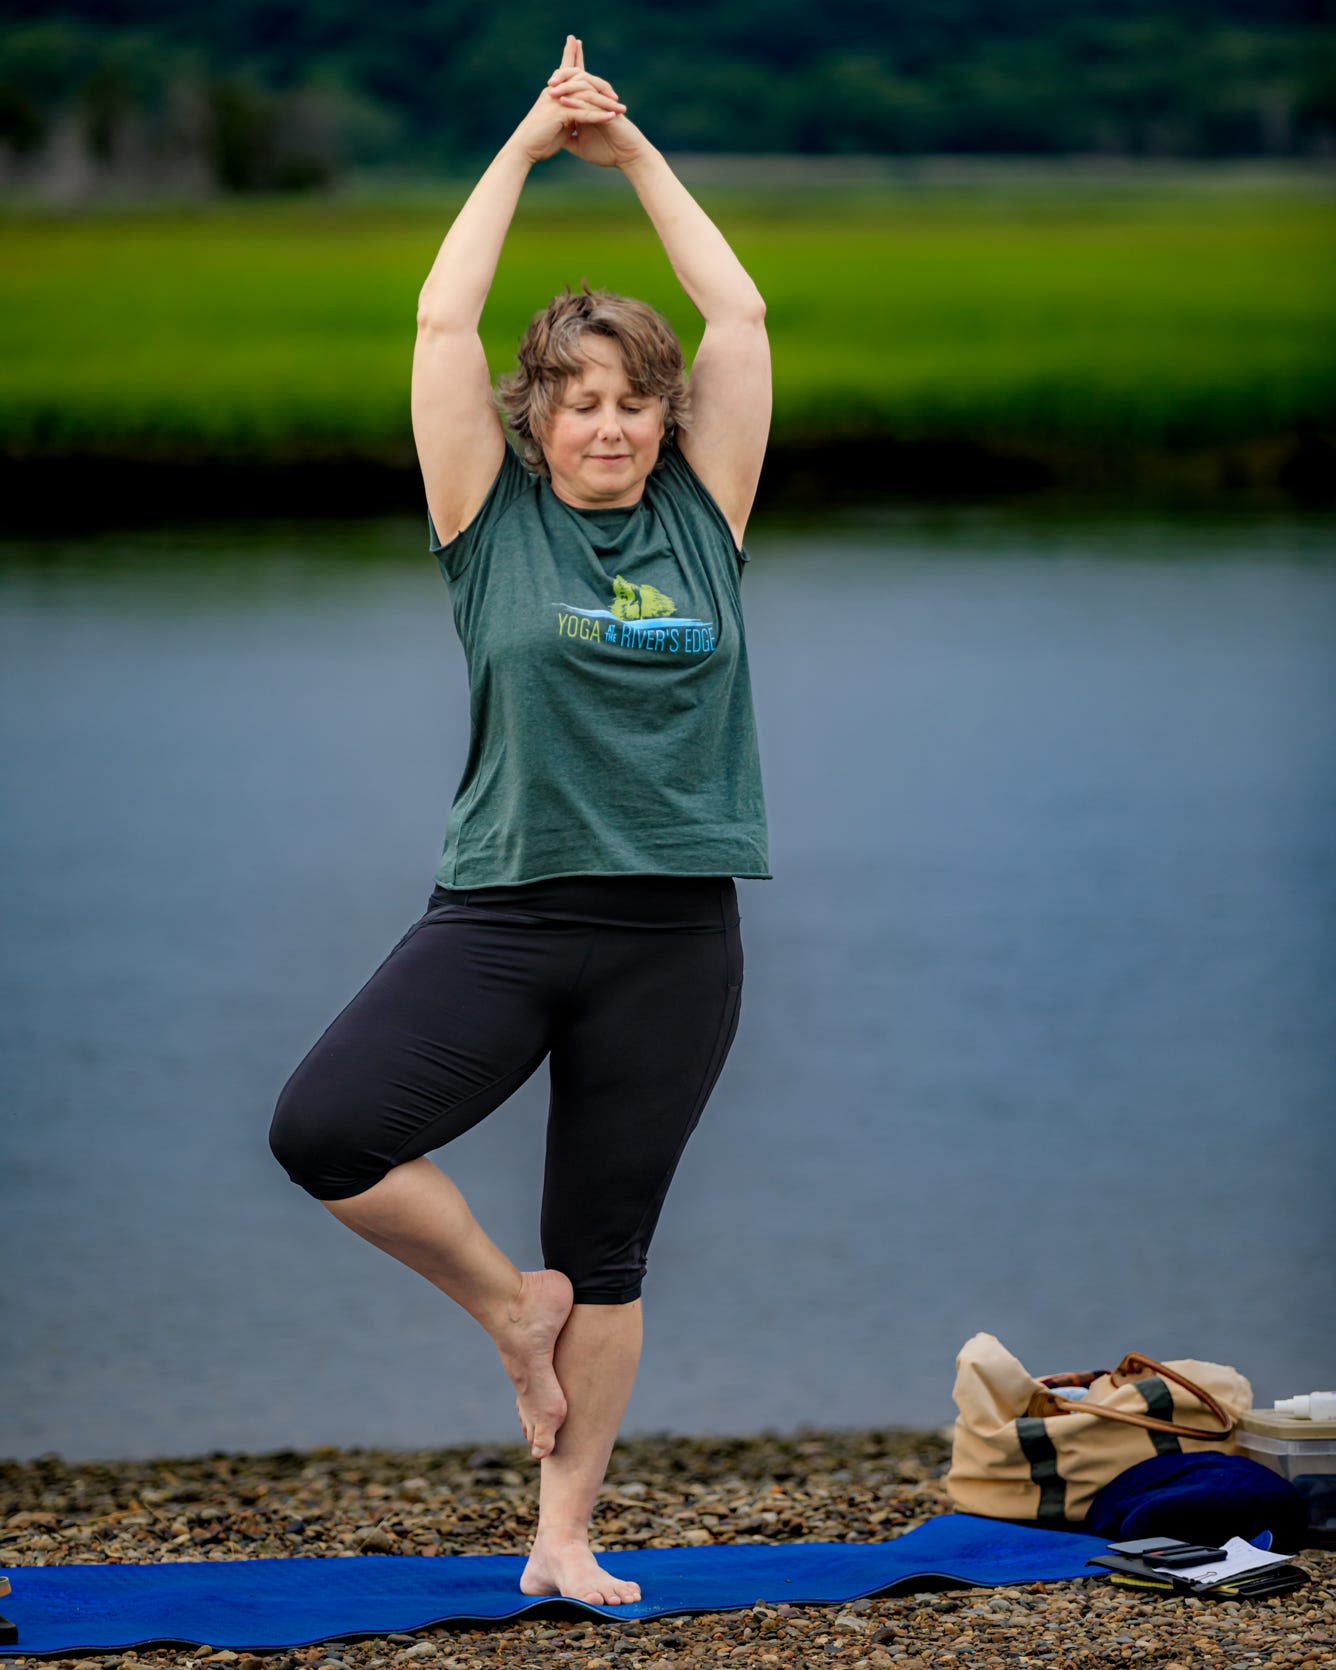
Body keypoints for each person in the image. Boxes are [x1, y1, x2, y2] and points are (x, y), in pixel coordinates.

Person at [268, 35, 771, 1606]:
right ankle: (503, 1308)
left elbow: (742, 314)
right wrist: (521, 147)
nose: (610, 428)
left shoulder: (707, 515)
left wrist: (632, 157)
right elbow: (441, 315)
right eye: (580, 405)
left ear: (661, 419)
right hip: (504, 909)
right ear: (535, 421)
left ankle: (563, 1537)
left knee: (609, 1252)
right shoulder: (485, 521)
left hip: (675, 933)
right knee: (328, 1128)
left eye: (633, 404)